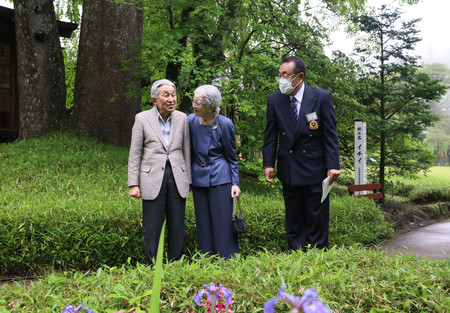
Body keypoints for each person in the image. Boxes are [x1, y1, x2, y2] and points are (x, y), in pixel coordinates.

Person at [263, 56, 341, 252]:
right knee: (294, 217)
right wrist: (268, 164)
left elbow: (330, 135)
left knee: (317, 216)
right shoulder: (275, 99)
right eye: (279, 75)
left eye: (285, 75)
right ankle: (296, 254)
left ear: (300, 77)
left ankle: (318, 255)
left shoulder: (321, 97)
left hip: (315, 168)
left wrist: (333, 165)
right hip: (289, 167)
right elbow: (270, 133)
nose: (281, 79)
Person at [128, 79, 191, 265]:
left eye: (173, 95)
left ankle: (176, 264)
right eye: (166, 95)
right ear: (154, 99)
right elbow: (135, 152)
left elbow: (187, 150)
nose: (171, 99)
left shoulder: (182, 118)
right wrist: (133, 183)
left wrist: (189, 180)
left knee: (177, 225)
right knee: (153, 227)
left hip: (177, 177)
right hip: (151, 178)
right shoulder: (141, 118)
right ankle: (151, 267)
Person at [188, 84, 241, 259]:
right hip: (198, 178)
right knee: (203, 223)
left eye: (198, 102)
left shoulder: (225, 124)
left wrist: (235, 183)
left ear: (211, 107)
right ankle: (206, 260)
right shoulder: (191, 121)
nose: (194, 105)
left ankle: (228, 260)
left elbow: (232, 157)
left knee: (222, 223)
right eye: (194, 101)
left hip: (221, 177)